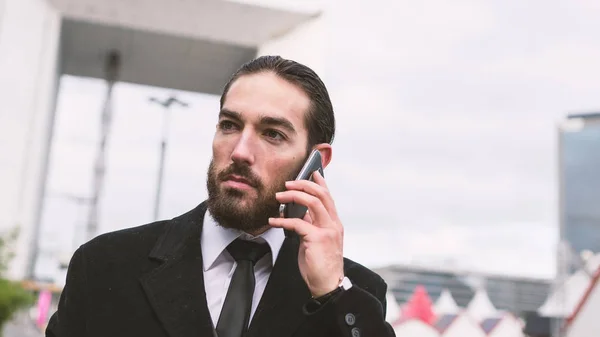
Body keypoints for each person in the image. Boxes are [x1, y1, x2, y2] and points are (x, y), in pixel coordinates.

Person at [46, 55, 396, 337]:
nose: (240, 151)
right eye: (229, 125)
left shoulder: (354, 295)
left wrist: (333, 294)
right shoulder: (105, 266)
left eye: (272, 134)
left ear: (316, 162)